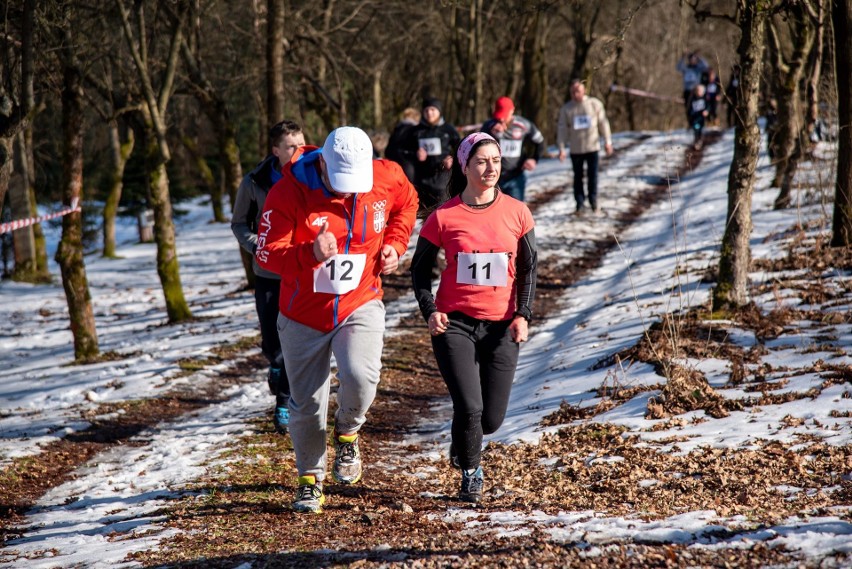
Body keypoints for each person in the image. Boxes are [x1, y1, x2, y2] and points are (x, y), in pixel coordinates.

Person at [256, 126, 418, 514]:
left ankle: (348, 432)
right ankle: (310, 479)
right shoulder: (288, 190)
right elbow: (266, 253)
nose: (348, 192)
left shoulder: (386, 175)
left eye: (355, 183)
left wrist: (395, 245)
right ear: (323, 163)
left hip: (360, 301)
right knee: (308, 404)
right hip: (302, 314)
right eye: (340, 183)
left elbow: (407, 205)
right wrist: (309, 252)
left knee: (362, 376)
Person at [410, 132, 537, 503]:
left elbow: (529, 270)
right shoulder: (442, 217)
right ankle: (471, 472)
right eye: (481, 161)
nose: (490, 168)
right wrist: (430, 311)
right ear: (464, 166)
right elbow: (419, 272)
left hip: (502, 326)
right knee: (470, 406)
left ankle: (463, 441)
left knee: (490, 419)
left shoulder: (518, 212)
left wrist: (523, 314)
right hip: (455, 324)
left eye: (496, 161)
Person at [231, 120, 305, 435]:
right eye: (291, 146)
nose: (299, 151)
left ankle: (284, 402)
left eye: (302, 143)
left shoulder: (313, 177)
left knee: (294, 339)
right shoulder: (254, 182)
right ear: (276, 151)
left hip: (302, 270)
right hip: (267, 273)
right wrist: (258, 247)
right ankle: (274, 364)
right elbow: (239, 223)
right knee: (273, 343)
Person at [557, 79, 613, 214]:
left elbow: (603, 123)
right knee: (578, 177)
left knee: (592, 176)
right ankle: (579, 203)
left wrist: (608, 141)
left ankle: (593, 201)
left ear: (584, 91)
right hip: (576, 149)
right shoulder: (567, 109)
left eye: (578, 91)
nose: (575, 94)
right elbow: (562, 129)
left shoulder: (594, 104)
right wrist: (561, 148)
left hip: (592, 147)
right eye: (573, 92)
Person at [480, 97, 545, 202]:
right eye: (499, 115)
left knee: (515, 213)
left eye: (504, 115)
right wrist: (490, 134)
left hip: (516, 176)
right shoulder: (489, 126)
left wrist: (534, 159)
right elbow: (477, 146)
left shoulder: (524, 125)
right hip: (493, 178)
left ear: (512, 110)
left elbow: (540, 142)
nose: (501, 119)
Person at [403, 97, 461, 215]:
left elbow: (461, 148)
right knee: (424, 217)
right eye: (426, 110)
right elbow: (402, 151)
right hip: (421, 180)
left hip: (443, 179)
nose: (429, 113)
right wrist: (415, 154)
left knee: (443, 213)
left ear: (439, 111)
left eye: (433, 110)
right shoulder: (414, 131)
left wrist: (452, 158)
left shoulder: (448, 130)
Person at [384, 107, 420, 182]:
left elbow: (388, 151)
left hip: (394, 165)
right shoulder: (415, 130)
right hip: (409, 166)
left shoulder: (397, 129)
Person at [687, 84, 709, 150]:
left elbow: (708, 106)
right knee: (696, 128)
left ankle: (699, 140)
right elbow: (689, 108)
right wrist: (690, 115)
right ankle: (696, 141)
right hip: (695, 118)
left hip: (701, 117)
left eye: (701, 91)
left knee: (700, 129)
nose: (699, 92)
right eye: (698, 91)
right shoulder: (692, 98)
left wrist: (706, 111)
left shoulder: (705, 98)